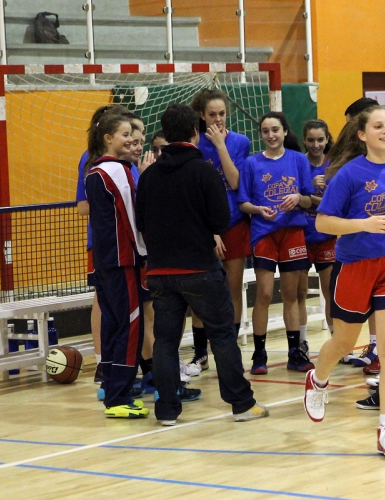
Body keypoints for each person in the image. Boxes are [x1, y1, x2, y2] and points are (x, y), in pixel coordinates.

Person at [303, 105, 385, 457]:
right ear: (362, 134)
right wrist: (363, 224)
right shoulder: (349, 174)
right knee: (344, 342)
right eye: (378, 126)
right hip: (356, 266)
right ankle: (318, 378)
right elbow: (323, 222)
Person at [135, 103, 268, 425]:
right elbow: (220, 220)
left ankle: (167, 410)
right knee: (222, 336)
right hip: (200, 270)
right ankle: (241, 404)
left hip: (160, 271)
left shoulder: (149, 175)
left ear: (166, 134)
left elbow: (141, 223)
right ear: (195, 132)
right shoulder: (204, 171)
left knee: (165, 341)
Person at [238, 111, 314, 375]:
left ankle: (295, 352)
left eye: (275, 130)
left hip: (292, 232)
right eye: (265, 131)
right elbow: (243, 203)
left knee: (291, 295)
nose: (270, 135)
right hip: (264, 233)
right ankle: (259, 354)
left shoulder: (298, 159)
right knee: (264, 294)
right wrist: (258, 210)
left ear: (284, 132)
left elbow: (309, 199)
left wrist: (298, 198)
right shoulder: (251, 163)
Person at [84, 113, 150, 419]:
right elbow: (132, 218)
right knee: (131, 325)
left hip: (105, 260)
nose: (131, 139)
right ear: (108, 138)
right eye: (125, 134)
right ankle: (120, 396)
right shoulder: (117, 171)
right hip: (124, 261)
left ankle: (111, 387)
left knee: (112, 325)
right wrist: (144, 253)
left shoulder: (93, 171)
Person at [187, 89, 252, 372]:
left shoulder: (240, 142)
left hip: (234, 222)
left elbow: (235, 182)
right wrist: (210, 230)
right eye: (212, 114)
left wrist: (221, 146)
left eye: (222, 114)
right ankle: (200, 353)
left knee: (232, 288)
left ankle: (230, 351)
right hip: (203, 228)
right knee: (201, 292)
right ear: (201, 115)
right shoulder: (194, 144)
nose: (218, 119)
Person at [76, 104, 130, 386]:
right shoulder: (90, 161)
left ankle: (129, 362)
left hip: (128, 244)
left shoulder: (129, 160)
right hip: (103, 242)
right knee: (103, 300)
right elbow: (82, 207)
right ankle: (102, 361)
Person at [297, 119, 338, 359]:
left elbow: (336, 205)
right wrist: (309, 187)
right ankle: (301, 342)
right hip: (301, 236)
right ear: (304, 140)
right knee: (299, 293)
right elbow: (293, 196)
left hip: (326, 237)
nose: (315, 145)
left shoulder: (334, 165)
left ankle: (337, 343)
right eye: (311, 140)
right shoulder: (298, 163)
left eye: (320, 139)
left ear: (327, 139)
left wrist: (310, 198)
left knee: (331, 291)